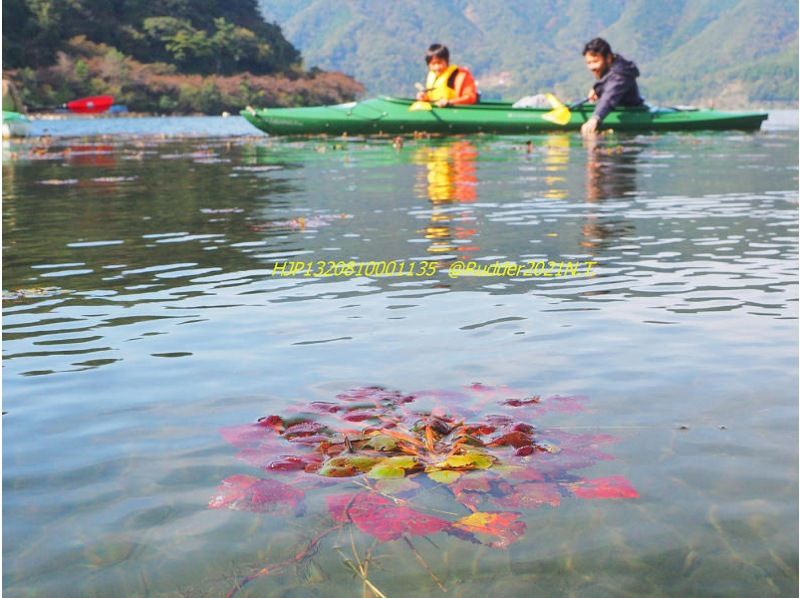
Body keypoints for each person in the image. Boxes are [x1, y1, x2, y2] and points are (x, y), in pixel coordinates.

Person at [580, 38, 644, 136]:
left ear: (608, 58)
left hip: (633, 113)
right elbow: (607, 81)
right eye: (589, 63)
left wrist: (595, 118)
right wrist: (597, 89)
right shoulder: (613, 67)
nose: (592, 67)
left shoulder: (621, 75)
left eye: (596, 61)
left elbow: (609, 97)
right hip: (619, 108)